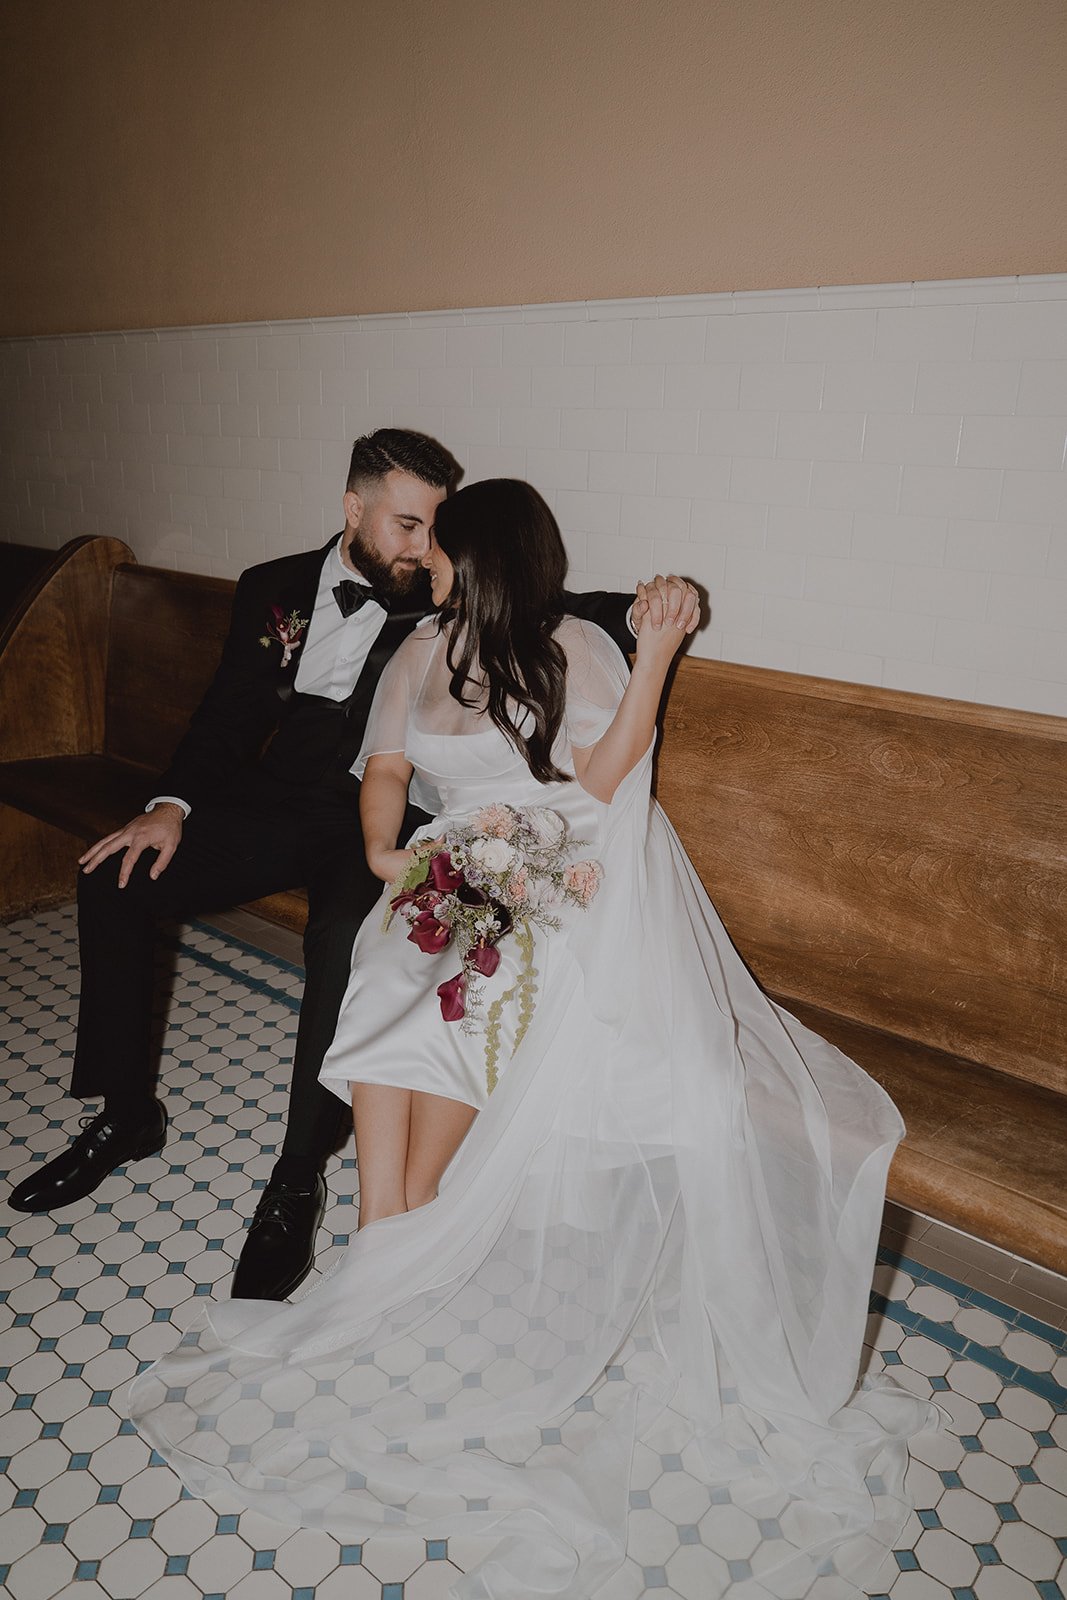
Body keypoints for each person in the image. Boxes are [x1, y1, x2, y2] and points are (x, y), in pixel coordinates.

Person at [131, 480, 932, 1600]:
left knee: (459, 998)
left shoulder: (567, 649)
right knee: (387, 977)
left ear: (485, 557)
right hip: (447, 869)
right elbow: (389, 771)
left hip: (556, 879)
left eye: (443, 552)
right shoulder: (417, 651)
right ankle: (388, 1233)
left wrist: (654, 648)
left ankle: (393, 1251)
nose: (427, 566)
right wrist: (381, 859)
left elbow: (602, 781)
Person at [8, 431, 673, 1304]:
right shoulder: (271, 588)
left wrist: (648, 611)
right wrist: (168, 807)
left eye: (434, 529)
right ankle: (126, 1114)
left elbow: (534, 590)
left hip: (380, 814)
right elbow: (224, 718)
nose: (419, 547)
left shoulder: (436, 591)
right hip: (274, 802)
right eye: (404, 524)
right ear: (352, 510)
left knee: (348, 941)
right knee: (115, 876)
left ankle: (294, 1178)